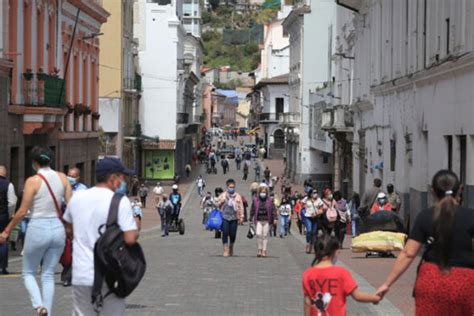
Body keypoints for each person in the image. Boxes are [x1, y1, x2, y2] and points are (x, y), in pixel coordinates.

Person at [376, 170, 474, 315]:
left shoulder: (426, 216)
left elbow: (408, 253)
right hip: (463, 282)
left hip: (431, 280)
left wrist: (386, 284)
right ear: (460, 189)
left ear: (433, 192)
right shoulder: (471, 217)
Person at [0, 147, 72, 315]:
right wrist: (70, 227)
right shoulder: (63, 178)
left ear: (34, 163)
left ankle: (39, 305)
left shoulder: (32, 181)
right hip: (58, 229)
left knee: (28, 272)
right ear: (50, 161)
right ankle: (47, 311)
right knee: (48, 274)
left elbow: (23, 211)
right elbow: (71, 206)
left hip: (38, 227)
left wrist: (6, 230)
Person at [62, 157, 138, 315]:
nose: (123, 181)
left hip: (81, 273)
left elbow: (68, 228)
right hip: (109, 274)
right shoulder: (119, 201)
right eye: (122, 177)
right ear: (112, 178)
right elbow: (130, 238)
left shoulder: (77, 198)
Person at [303, 234, 381, 316]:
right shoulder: (341, 273)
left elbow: (307, 301)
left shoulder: (308, 274)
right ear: (335, 252)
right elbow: (357, 296)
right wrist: (375, 298)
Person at [62, 167, 88, 287]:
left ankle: (68, 276)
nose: (70, 178)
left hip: (76, 224)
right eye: (69, 175)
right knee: (63, 250)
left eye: (73, 176)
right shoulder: (62, 188)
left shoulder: (83, 190)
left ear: (78, 177)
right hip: (62, 223)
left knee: (72, 250)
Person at [217, 179, 244, 257]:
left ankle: (231, 246)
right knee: (225, 233)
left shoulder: (238, 196)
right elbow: (216, 205)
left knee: (233, 234)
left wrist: (242, 216)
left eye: (233, 187)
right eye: (230, 187)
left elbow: (241, 207)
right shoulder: (223, 195)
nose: (231, 188)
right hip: (225, 217)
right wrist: (220, 202)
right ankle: (225, 249)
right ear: (227, 187)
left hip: (234, 217)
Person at [0, 165, 18, 275]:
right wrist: (11, 215)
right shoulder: (8, 184)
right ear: (5, 173)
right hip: (2, 215)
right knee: (2, 240)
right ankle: (2, 267)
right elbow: (12, 202)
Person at [250, 186, 276, 257]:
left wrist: (275, 218)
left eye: (264, 192)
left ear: (267, 193)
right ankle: (259, 249)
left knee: (265, 235)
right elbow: (252, 209)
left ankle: (264, 251)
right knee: (258, 234)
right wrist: (250, 218)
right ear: (259, 192)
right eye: (261, 192)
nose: (263, 193)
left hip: (267, 220)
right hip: (258, 220)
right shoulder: (256, 200)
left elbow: (273, 209)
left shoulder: (270, 200)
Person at [304, 189, 324, 253]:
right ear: (310, 193)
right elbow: (302, 205)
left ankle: (312, 246)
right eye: (314, 192)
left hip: (315, 218)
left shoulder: (319, 200)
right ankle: (308, 243)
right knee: (309, 231)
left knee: (314, 232)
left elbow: (322, 210)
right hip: (308, 217)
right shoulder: (306, 199)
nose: (315, 194)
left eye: (316, 192)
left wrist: (316, 213)